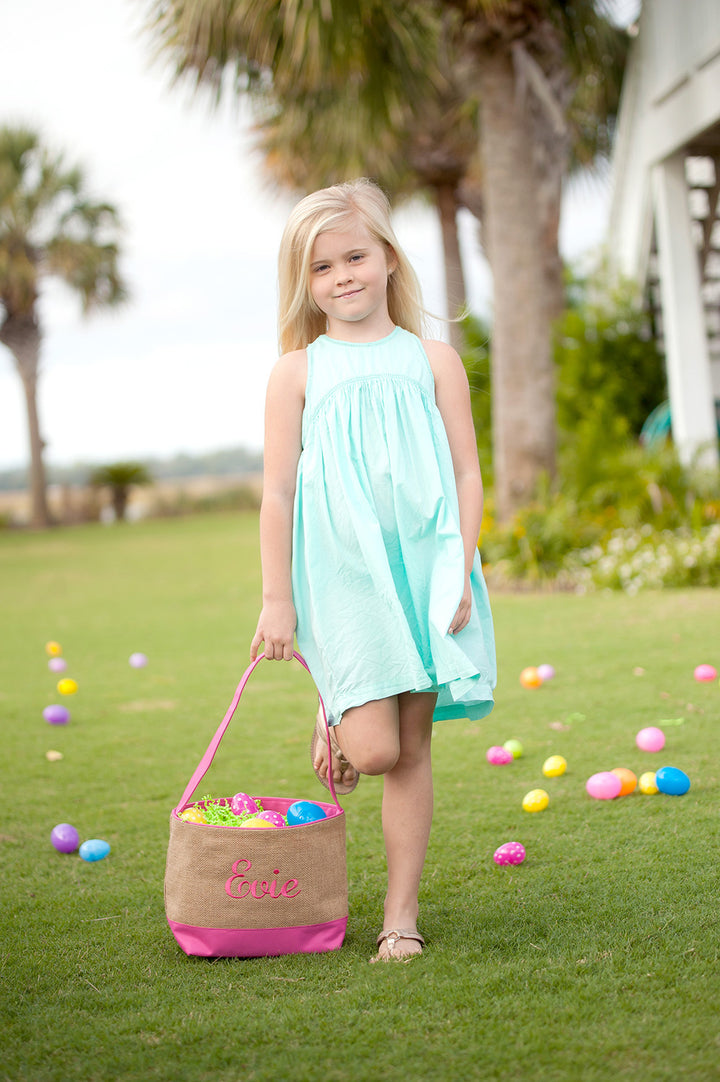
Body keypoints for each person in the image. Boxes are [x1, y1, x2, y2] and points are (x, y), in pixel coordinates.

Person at [251, 179, 496, 963]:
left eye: (355, 256)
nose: (342, 277)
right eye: (321, 268)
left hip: (426, 567)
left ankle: (400, 914)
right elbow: (278, 491)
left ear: (388, 258)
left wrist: (457, 570)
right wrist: (276, 599)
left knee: (413, 745)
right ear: (305, 283)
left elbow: (466, 472)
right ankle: (335, 713)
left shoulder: (432, 360)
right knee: (378, 748)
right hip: (345, 578)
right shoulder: (297, 372)